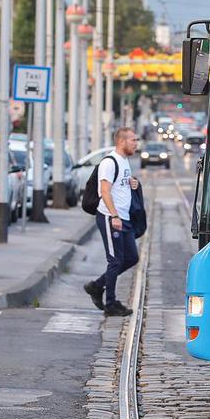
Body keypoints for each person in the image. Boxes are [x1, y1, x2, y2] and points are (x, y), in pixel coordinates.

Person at [84, 127, 143, 317]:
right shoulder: (110, 162)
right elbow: (105, 191)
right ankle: (110, 303)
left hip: (124, 218)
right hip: (111, 217)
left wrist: (133, 183)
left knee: (132, 257)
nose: (136, 143)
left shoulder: (124, 162)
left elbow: (120, 186)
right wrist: (114, 215)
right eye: (133, 140)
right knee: (115, 260)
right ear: (122, 141)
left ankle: (97, 285)